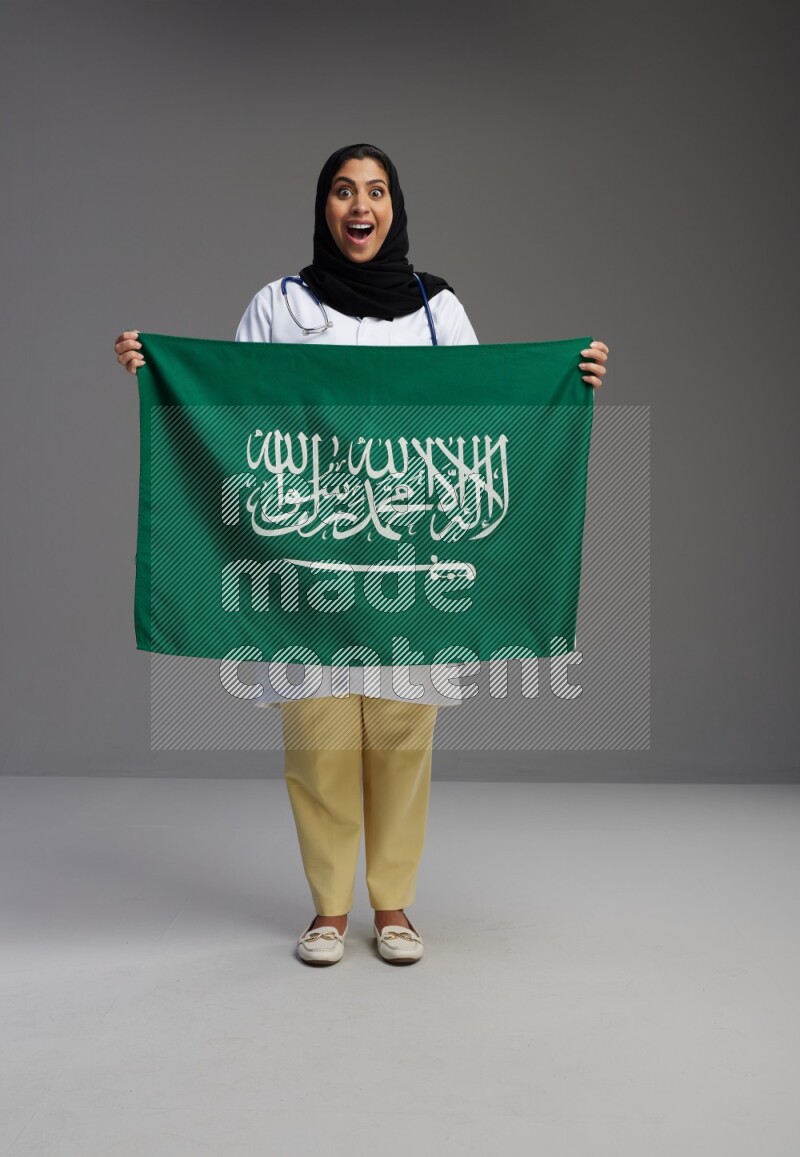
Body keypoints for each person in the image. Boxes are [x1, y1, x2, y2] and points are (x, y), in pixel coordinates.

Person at [114, 142, 609, 967]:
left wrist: (571, 376)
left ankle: (393, 903)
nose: (359, 206)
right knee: (317, 737)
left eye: (375, 191)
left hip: (408, 557)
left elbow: (487, 411)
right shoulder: (278, 303)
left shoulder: (435, 309)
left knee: (401, 733)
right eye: (343, 190)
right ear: (324, 208)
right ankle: (327, 909)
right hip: (307, 557)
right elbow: (231, 410)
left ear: (394, 207)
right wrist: (156, 368)